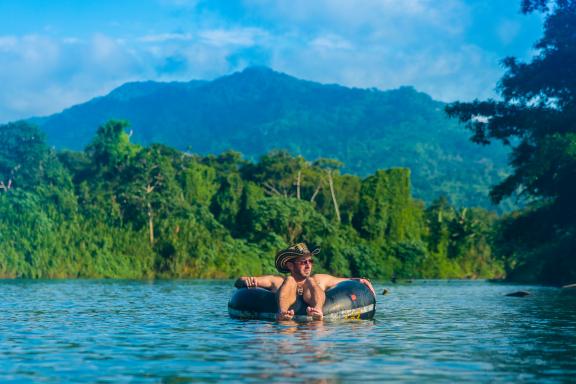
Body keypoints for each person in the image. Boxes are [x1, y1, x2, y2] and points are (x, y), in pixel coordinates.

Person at [234, 243, 375, 321]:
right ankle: (282, 313)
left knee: (312, 281)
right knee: (290, 280)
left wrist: (360, 280)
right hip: (286, 317)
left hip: (316, 314)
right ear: (290, 265)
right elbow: (240, 281)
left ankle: (318, 311)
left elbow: (344, 282)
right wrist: (246, 282)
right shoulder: (278, 281)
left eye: (310, 261)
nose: (308, 265)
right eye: (303, 262)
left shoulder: (319, 279)